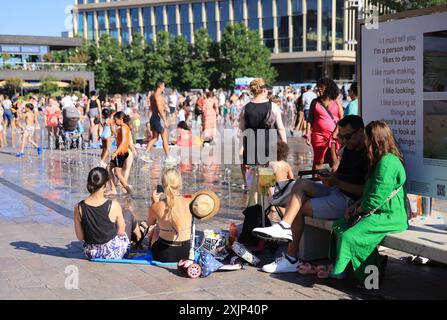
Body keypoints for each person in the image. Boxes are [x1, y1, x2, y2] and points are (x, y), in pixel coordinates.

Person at [253, 115, 367, 274]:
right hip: (336, 190)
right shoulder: (348, 149)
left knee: (296, 206)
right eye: (341, 136)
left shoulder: (368, 154)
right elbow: (340, 175)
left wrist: (337, 182)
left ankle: (291, 258)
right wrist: (331, 177)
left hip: (349, 201)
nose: (344, 141)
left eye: (347, 137)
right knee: (300, 184)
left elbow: (366, 190)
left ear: (361, 132)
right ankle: (284, 226)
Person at [328, 120, 408, 283]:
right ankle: (351, 267)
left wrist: (358, 210)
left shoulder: (387, 163)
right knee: (339, 225)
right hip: (376, 211)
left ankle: (367, 275)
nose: (364, 141)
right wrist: (356, 205)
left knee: (350, 236)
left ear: (375, 140)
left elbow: (376, 198)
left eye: (367, 138)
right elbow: (369, 191)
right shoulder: (379, 159)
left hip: (389, 215)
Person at [74, 168, 146, 260]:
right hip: (113, 253)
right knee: (127, 213)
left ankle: (139, 234)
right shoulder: (113, 205)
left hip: (91, 253)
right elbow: (120, 232)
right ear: (105, 184)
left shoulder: (78, 207)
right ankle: (139, 235)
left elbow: (80, 237)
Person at [147, 168, 193, 262]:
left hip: (162, 255)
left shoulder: (157, 206)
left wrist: (154, 203)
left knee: (156, 227)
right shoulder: (190, 202)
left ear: (163, 185)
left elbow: (150, 223)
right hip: (186, 254)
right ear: (180, 184)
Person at [306, 78, 344, 172]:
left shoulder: (336, 102)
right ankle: (314, 184)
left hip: (334, 135)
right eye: (318, 87)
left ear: (329, 88)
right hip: (318, 136)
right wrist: (307, 134)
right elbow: (310, 119)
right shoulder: (315, 102)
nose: (319, 89)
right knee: (318, 161)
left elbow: (342, 118)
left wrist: (336, 131)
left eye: (322, 87)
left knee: (334, 161)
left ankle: (334, 183)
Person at [108, 112, 134, 195]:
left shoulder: (124, 127)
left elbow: (123, 142)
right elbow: (115, 134)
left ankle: (128, 190)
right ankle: (114, 189)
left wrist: (116, 152)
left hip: (121, 153)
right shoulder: (123, 127)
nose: (115, 121)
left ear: (121, 119)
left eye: (115, 120)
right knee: (109, 168)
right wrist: (111, 125)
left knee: (117, 174)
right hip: (121, 152)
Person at [145, 80, 171, 159]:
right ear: (160, 86)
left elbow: (152, 108)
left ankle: (145, 154)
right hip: (158, 118)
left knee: (155, 138)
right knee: (164, 138)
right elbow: (160, 109)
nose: (164, 87)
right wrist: (165, 120)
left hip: (153, 117)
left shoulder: (152, 95)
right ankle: (168, 157)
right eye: (164, 86)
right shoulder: (158, 96)